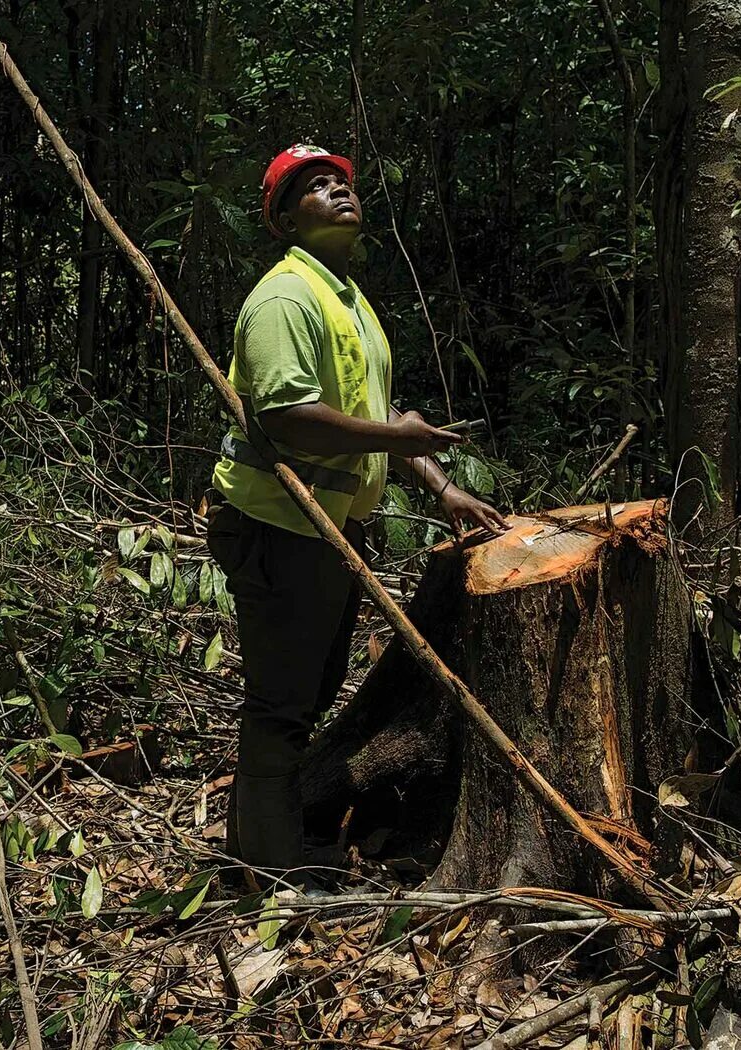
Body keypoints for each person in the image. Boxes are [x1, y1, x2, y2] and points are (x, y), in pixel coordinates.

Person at [206, 144, 508, 883]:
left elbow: (375, 416)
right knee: (281, 705)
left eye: (341, 180)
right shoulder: (285, 299)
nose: (338, 190)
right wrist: (397, 437)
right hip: (280, 525)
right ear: (281, 220)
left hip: (328, 527)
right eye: (314, 186)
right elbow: (290, 420)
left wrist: (441, 486)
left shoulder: (348, 299)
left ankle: (268, 847)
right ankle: (268, 877)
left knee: (309, 692)